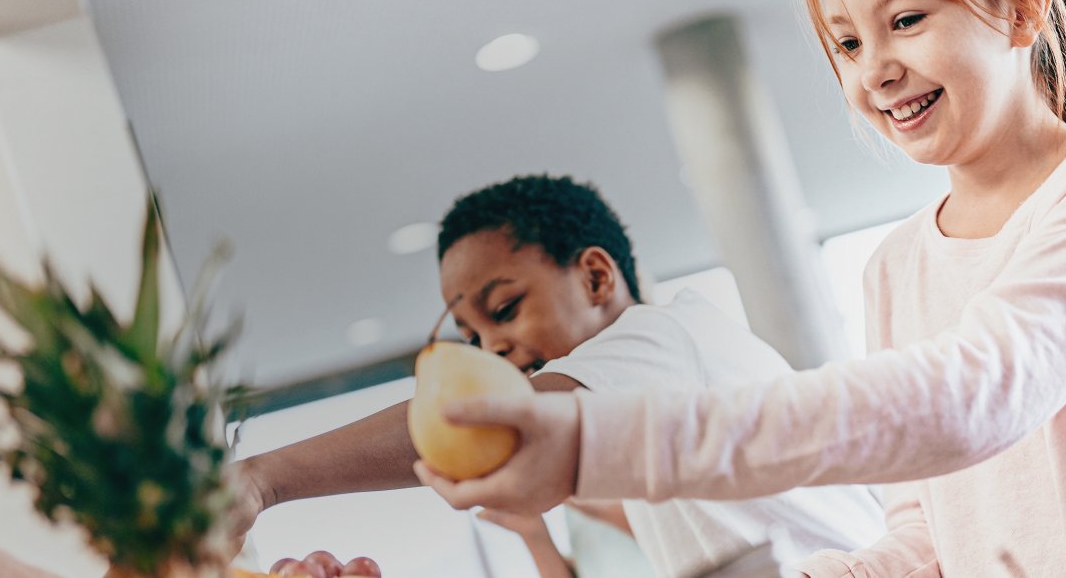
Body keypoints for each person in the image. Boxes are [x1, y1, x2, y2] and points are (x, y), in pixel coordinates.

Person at [413, 0, 1066, 574]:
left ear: (1021, 8)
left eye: (904, 20)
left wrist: (592, 443)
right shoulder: (896, 267)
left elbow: (971, 397)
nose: (877, 70)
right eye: (847, 45)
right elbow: (928, 532)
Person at [234, 175, 886, 578]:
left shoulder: (655, 335)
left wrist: (263, 480)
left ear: (597, 277)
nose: (492, 349)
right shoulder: (645, 411)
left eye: (505, 310)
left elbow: (496, 422)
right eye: (473, 338)